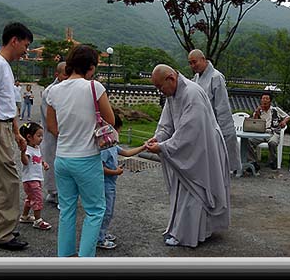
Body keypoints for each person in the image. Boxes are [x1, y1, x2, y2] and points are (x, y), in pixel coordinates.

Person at [145, 64, 230, 248]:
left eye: (160, 87)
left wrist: (163, 146)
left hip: (201, 149)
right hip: (186, 149)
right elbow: (166, 124)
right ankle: (184, 230)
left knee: (196, 189)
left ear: (170, 78)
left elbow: (190, 132)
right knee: (184, 190)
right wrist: (158, 138)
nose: (160, 91)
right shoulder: (172, 94)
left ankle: (188, 234)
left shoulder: (192, 93)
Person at [46, 44, 115, 257]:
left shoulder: (53, 91)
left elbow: (52, 127)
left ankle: (65, 257)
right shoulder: (94, 87)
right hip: (86, 158)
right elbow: (110, 121)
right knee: (94, 211)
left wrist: (70, 134)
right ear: (91, 67)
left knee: (67, 211)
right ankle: (86, 259)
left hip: (62, 159)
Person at [0, 22, 33, 250]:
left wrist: (16, 132)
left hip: (2, 128)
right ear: (14, 40)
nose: (26, 50)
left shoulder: (4, 66)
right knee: (9, 181)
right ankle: (3, 233)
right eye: (26, 45)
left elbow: (6, 104)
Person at [97, 113, 147, 250]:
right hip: (105, 184)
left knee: (109, 210)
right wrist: (115, 172)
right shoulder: (105, 148)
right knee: (105, 211)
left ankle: (102, 233)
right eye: (118, 131)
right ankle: (99, 238)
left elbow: (126, 153)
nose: (118, 134)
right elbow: (99, 168)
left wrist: (143, 147)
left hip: (111, 183)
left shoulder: (112, 145)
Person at [188, 49, 242, 173]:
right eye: (190, 63)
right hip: (200, 127)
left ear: (203, 59)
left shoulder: (216, 77)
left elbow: (222, 108)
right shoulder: (195, 78)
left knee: (219, 164)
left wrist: (224, 132)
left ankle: (220, 191)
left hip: (214, 127)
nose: (192, 66)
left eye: (194, 62)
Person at [40, 62, 69, 205]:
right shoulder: (50, 91)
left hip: (66, 134)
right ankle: (54, 192)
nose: (68, 77)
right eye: (65, 73)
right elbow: (50, 121)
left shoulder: (70, 89)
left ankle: (62, 192)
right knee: (52, 162)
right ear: (56, 75)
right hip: (55, 135)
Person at [18, 121, 52, 230]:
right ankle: (38, 220)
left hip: (36, 178)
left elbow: (38, 159)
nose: (41, 138)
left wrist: (43, 163)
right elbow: (25, 162)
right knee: (37, 199)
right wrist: (23, 153)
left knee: (30, 198)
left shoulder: (36, 148)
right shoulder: (27, 150)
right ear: (29, 137)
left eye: (41, 135)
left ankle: (24, 216)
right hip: (30, 179)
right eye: (38, 136)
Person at [247, 92, 290, 170]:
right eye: (263, 99)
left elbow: (287, 117)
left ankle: (272, 161)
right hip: (260, 133)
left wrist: (284, 122)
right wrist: (256, 113)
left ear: (270, 101)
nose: (265, 101)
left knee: (272, 143)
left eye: (267, 99)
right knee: (248, 141)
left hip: (272, 133)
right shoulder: (258, 111)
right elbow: (254, 122)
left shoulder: (275, 110)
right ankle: (253, 162)